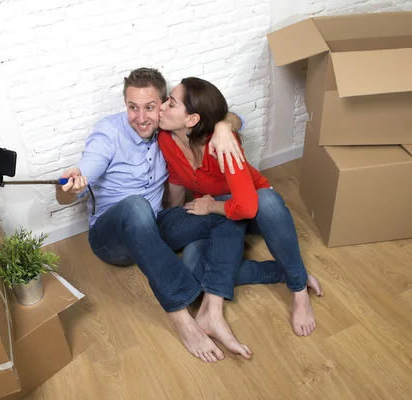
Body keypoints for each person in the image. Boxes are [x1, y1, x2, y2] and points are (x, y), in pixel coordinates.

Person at [56, 68, 285, 362]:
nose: (141, 117)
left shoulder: (168, 127)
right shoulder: (109, 133)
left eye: (150, 107)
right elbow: (86, 169)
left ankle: (228, 301)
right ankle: (181, 317)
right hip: (112, 237)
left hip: (155, 226)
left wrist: (225, 127)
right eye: (132, 107)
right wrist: (72, 184)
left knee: (226, 206)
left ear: (163, 105)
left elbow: (231, 115)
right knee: (136, 205)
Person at [158, 77, 324, 337]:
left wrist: (212, 207)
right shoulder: (167, 139)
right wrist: (179, 217)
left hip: (252, 207)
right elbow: (177, 178)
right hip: (220, 214)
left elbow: (246, 206)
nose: (161, 108)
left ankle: (299, 289)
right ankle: (285, 271)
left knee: (267, 201)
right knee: (193, 269)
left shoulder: (222, 143)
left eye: (170, 103)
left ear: (191, 120)